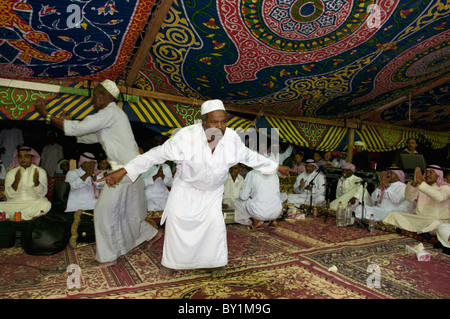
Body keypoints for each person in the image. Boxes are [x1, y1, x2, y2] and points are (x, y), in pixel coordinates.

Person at [99, 99, 294, 278]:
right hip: (186, 189)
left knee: (214, 226)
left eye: (223, 122)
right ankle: (171, 263)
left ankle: (215, 263)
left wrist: (277, 167)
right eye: (214, 122)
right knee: (176, 221)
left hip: (212, 193)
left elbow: (251, 157)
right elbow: (155, 155)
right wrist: (123, 171)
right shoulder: (186, 137)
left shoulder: (232, 138)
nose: (220, 127)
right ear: (202, 122)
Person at [34, 79, 162, 268]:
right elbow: (83, 136)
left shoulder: (109, 113)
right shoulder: (112, 117)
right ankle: (153, 234)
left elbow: (77, 129)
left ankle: (108, 256)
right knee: (130, 211)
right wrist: (65, 123)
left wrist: (47, 115)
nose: (93, 100)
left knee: (103, 210)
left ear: (104, 96)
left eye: (94, 96)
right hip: (129, 169)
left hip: (124, 171)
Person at [383, 165, 450, 236]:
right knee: (393, 214)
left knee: (436, 224)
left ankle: (415, 231)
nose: (427, 175)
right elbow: (409, 198)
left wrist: (421, 183)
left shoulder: (445, 187)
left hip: (435, 220)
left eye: (431, 172)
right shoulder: (421, 186)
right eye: (426, 172)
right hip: (419, 219)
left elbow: (439, 197)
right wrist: (414, 183)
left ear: (438, 175)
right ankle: (421, 232)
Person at [0, 147, 51, 220]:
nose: (23, 159)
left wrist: (36, 182)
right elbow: (8, 194)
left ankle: (16, 217)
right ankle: (31, 217)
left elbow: (43, 193)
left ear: (32, 158)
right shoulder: (11, 173)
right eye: (20, 156)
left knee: (46, 204)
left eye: (26, 156)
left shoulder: (40, 172)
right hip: (15, 205)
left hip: (33, 204)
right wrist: (16, 181)